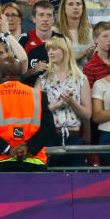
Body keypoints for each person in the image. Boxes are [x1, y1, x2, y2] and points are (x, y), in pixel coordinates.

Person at [0, 56, 55, 172]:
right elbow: (49, 129)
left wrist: (8, 149)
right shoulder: (38, 95)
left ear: (0, 74)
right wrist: (28, 148)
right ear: (20, 74)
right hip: (33, 163)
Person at [35, 36, 90, 166]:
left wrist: (73, 103)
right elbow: (35, 113)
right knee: (51, 183)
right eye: (49, 49)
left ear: (65, 51)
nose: (50, 52)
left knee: (76, 181)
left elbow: (87, 114)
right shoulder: (42, 80)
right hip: (50, 137)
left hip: (74, 137)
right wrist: (58, 104)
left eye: (54, 49)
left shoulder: (81, 79)